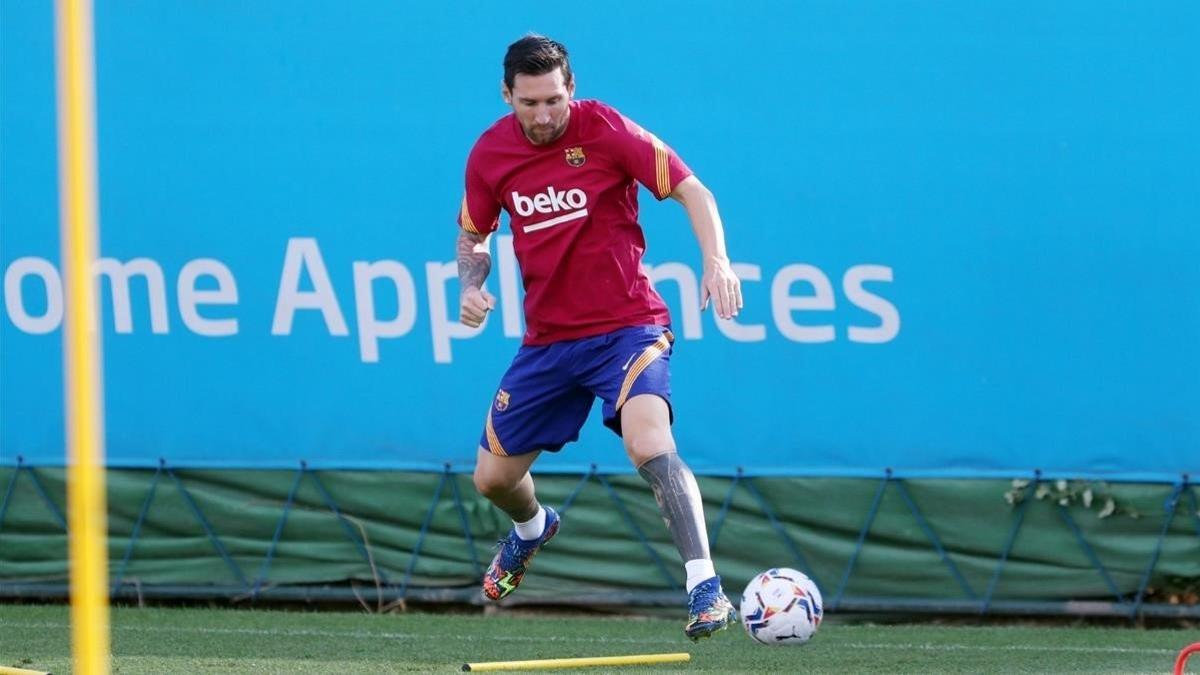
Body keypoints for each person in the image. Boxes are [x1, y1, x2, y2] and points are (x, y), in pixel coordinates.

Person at [456, 34, 742, 641]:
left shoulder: (605, 128)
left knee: (647, 442)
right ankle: (533, 529)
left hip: (628, 328)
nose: (543, 115)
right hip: (548, 343)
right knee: (492, 481)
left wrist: (717, 261)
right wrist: (470, 282)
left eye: (553, 100)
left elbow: (694, 189)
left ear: (571, 89)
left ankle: (705, 588)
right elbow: (474, 235)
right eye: (528, 103)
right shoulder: (488, 154)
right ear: (507, 95)